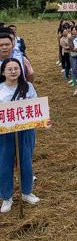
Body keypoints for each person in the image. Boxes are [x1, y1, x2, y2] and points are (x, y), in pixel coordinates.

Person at [0, 58, 40, 213]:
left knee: (26, 161)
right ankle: (6, 197)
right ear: (3, 72)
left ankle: (26, 192)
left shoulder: (28, 87)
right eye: (9, 69)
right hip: (4, 132)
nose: (13, 71)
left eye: (16, 68)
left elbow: (36, 106)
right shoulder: (0, 89)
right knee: (4, 163)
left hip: (26, 130)